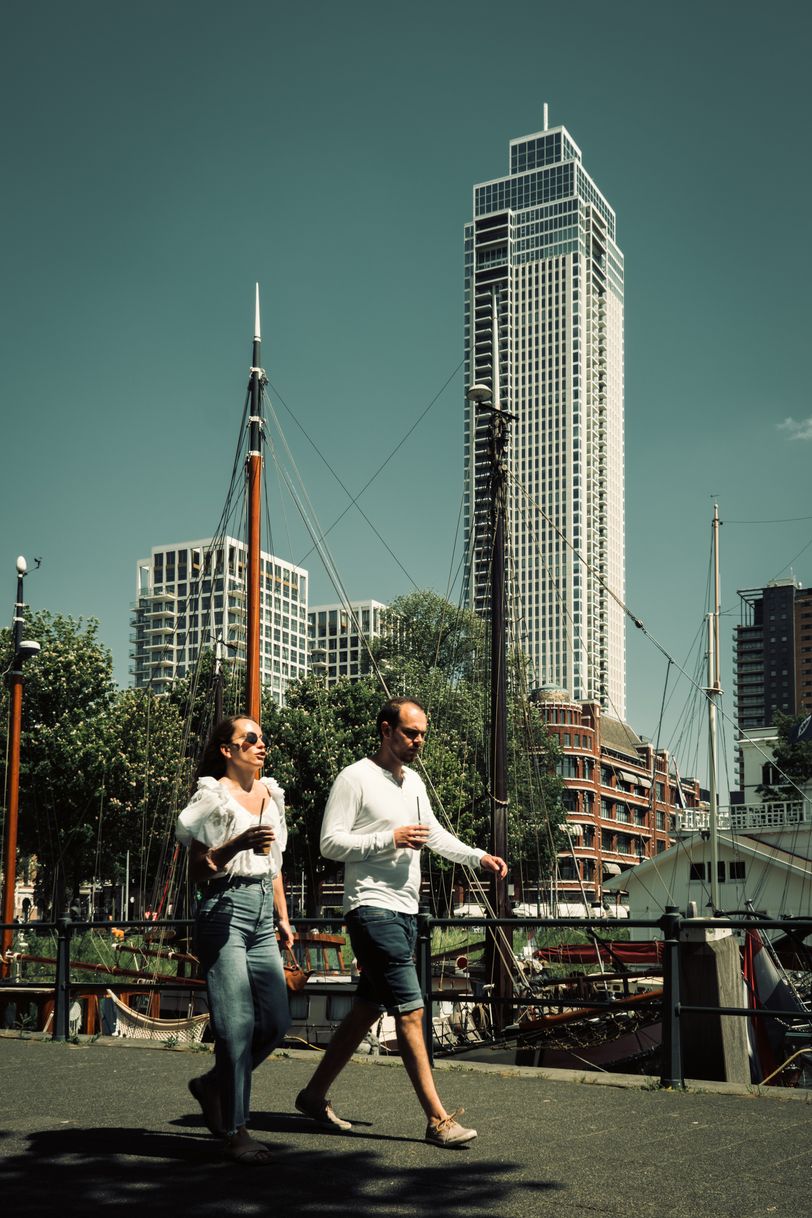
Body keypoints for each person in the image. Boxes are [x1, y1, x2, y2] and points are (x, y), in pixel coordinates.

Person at [295, 695, 507, 1148]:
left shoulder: (413, 783)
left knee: (366, 1010)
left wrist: (477, 856)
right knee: (412, 1010)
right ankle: (438, 1120)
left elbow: (433, 834)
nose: (418, 742)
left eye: (423, 735)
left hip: (406, 910)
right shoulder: (354, 777)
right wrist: (387, 838)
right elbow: (329, 844)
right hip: (370, 909)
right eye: (411, 733)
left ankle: (313, 1096)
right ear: (386, 729)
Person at [176, 715, 293, 1164]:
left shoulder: (272, 793)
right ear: (228, 749)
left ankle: (211, 1086)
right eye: (251, 739)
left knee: (276, 1020)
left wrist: (283, 917)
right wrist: (235, 844)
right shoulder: (212, 797)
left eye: (262, 738)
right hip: (223, 909)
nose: (261, 744)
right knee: (236, 1023)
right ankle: (236, 1128)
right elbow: (196, 869)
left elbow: (276, 863)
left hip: (263, 912)